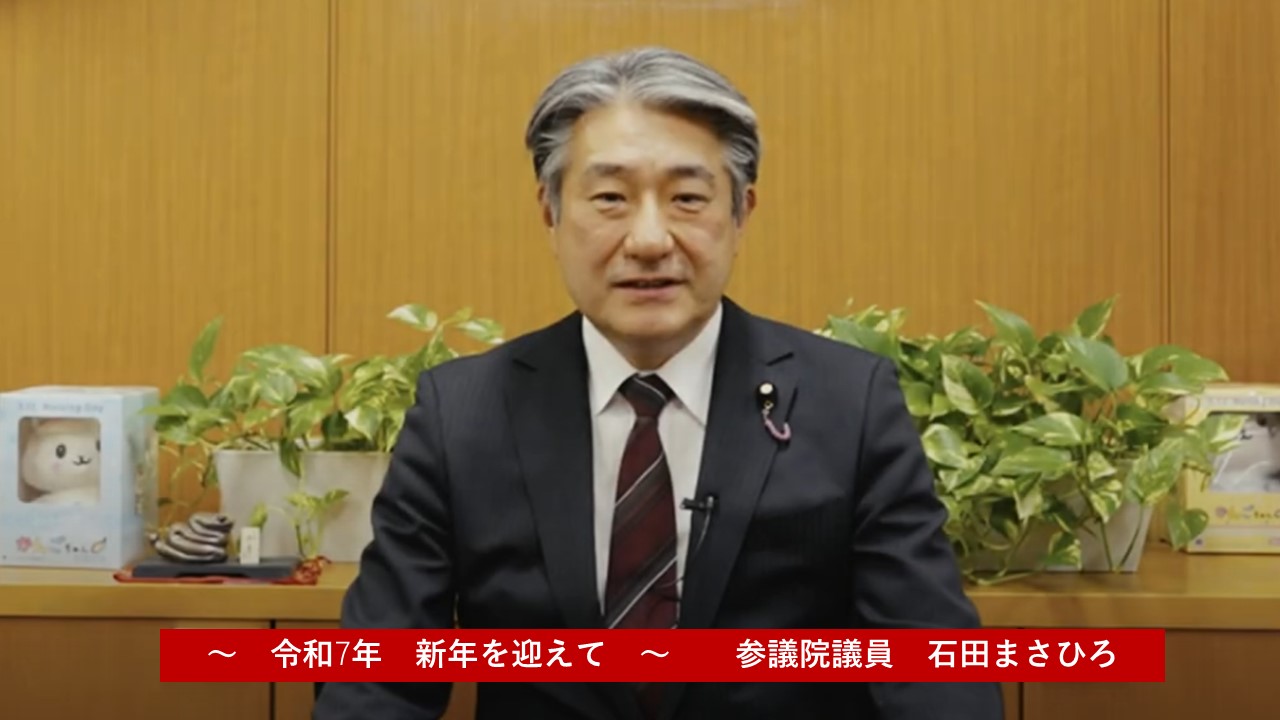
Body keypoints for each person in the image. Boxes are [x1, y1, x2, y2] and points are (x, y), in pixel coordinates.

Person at [312, 46, 1002, 720]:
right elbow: (378, 678)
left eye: (688, 198)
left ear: (741, 213)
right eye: (610, 198)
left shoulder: (849, 405)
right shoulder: (462, 416)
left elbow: (934, 672)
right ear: (551, 212)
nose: (649, 240)